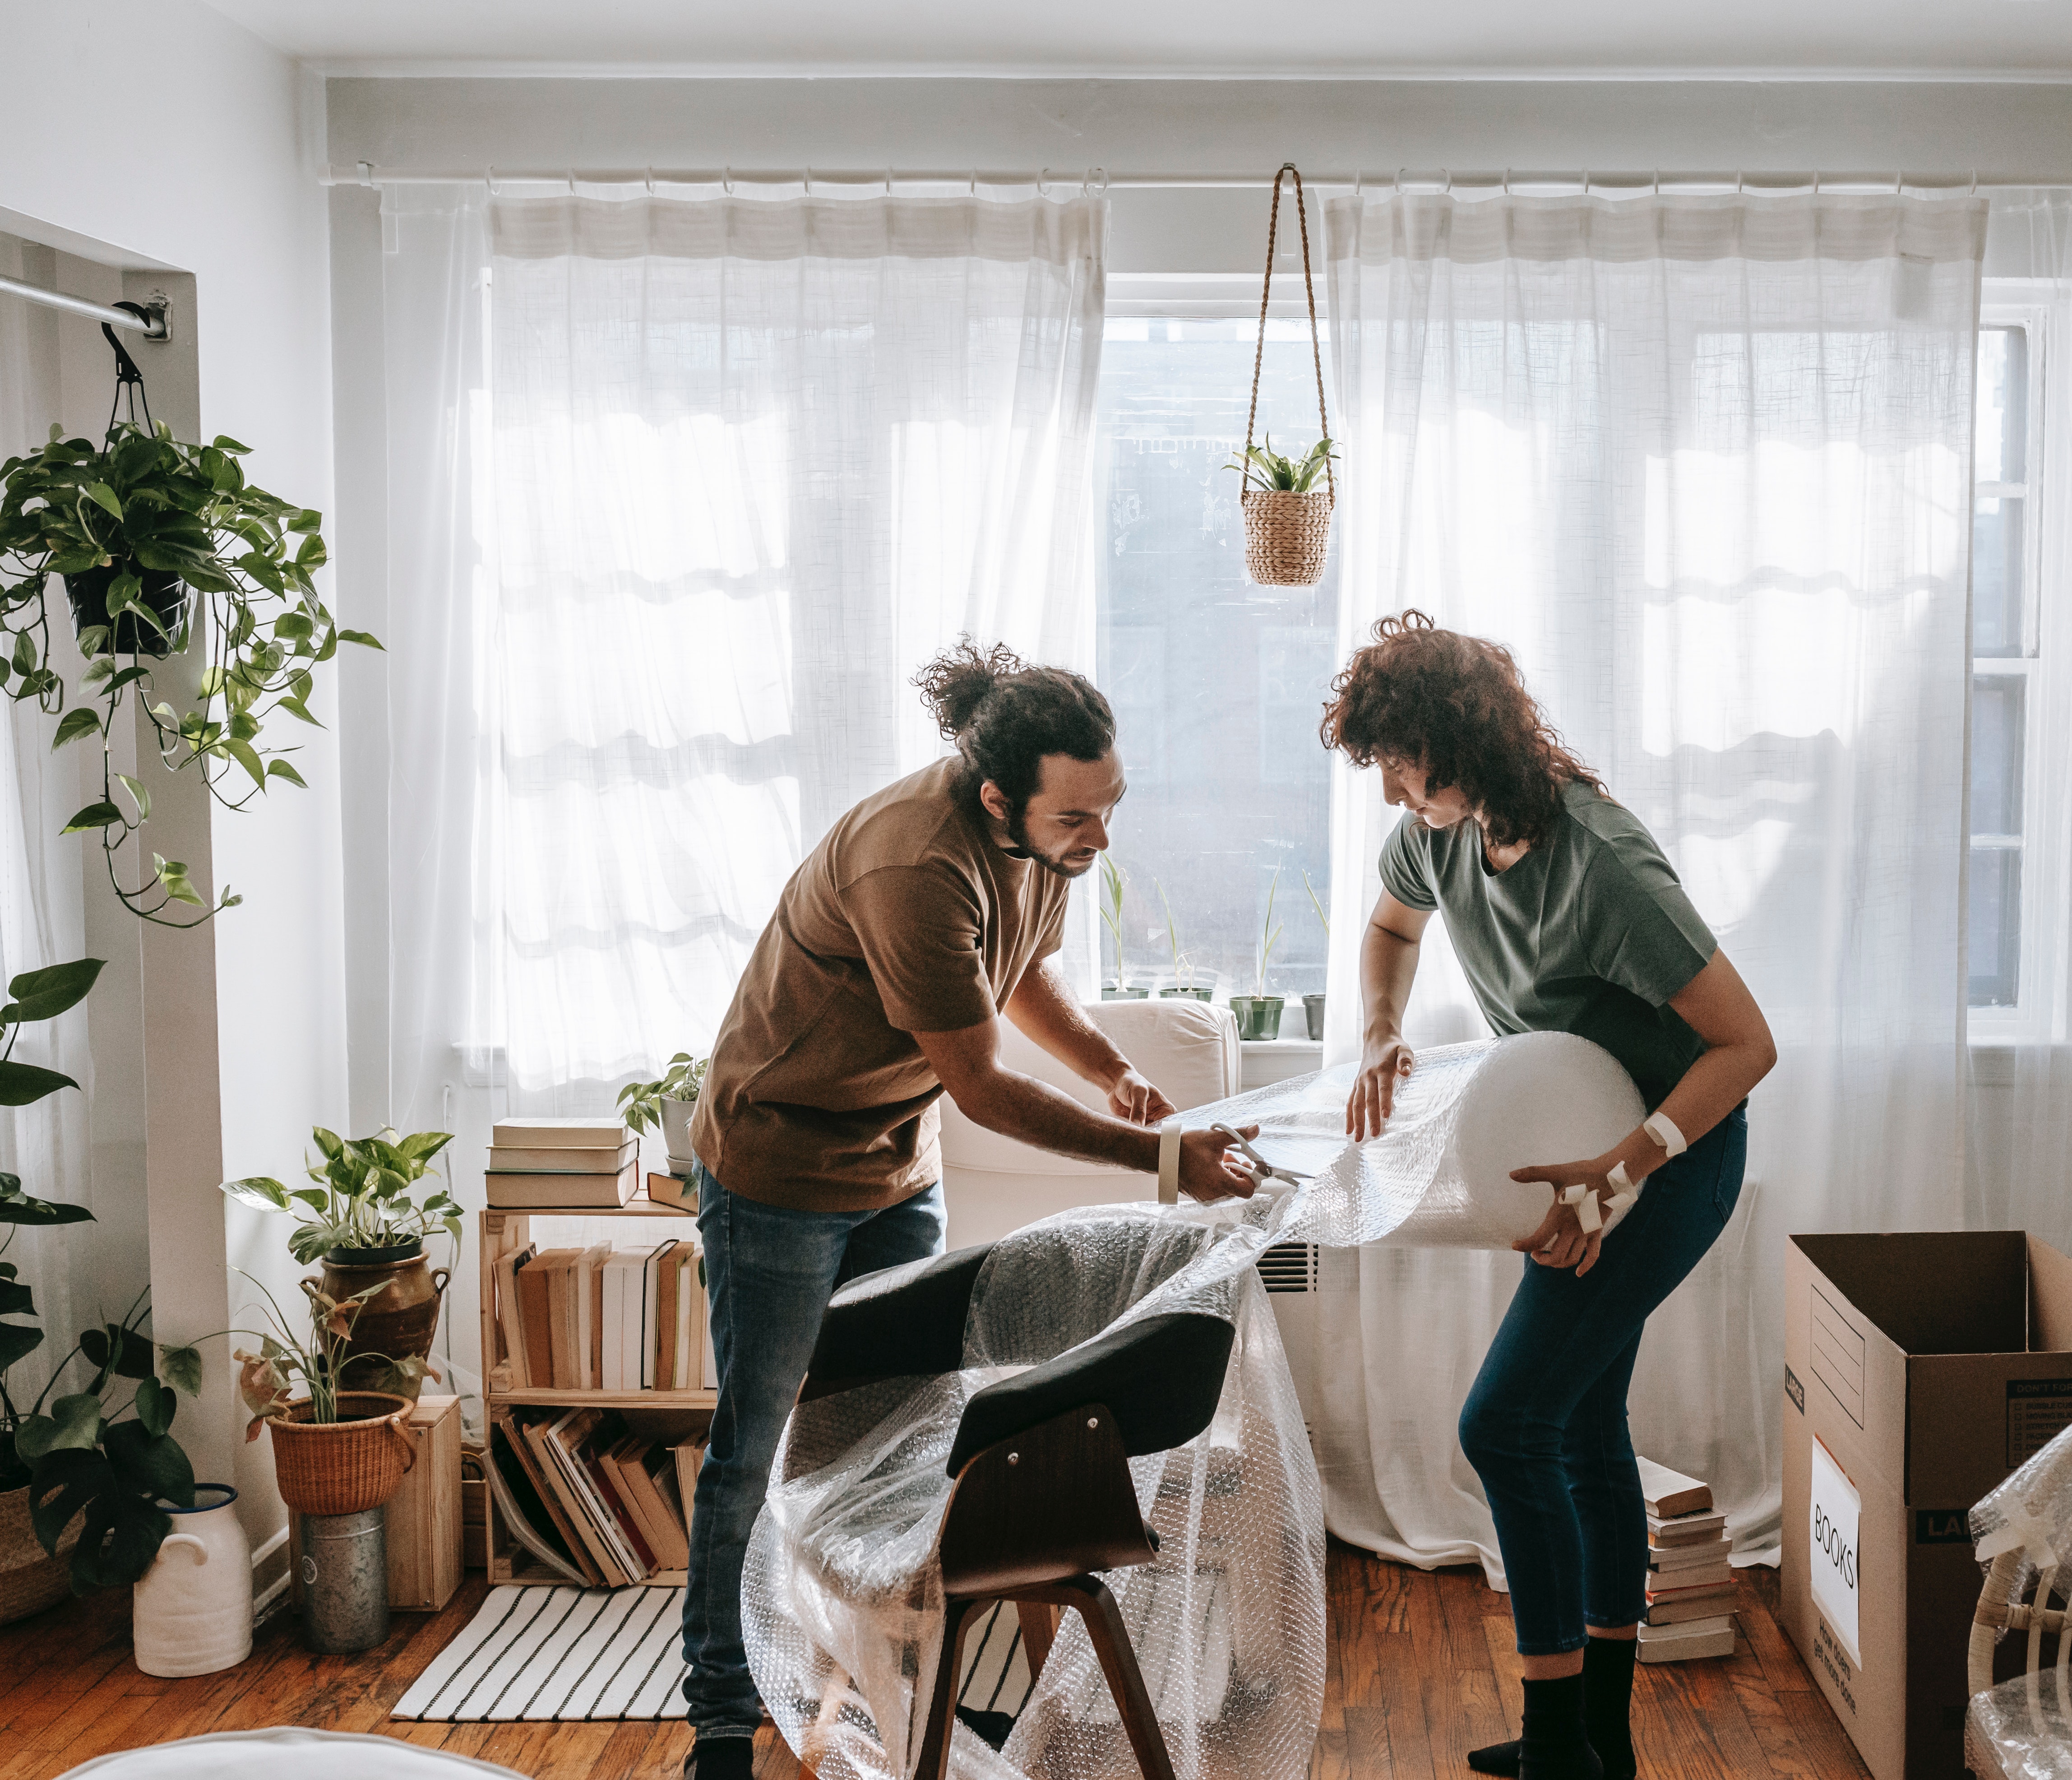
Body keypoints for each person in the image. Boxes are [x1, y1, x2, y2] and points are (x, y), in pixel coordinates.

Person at [678, 639, 1258, 1780]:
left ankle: (894, 1689)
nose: (1101, 837)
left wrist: (1106, 1068)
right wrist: (1163, 1157)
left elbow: (1020, 967)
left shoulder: (1034, 846)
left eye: (1112, 807)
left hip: (896, 1165)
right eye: (1079, 817)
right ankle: (719, 1718)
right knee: (759, 1447)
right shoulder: (912, 862)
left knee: (907, 1434)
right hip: (780, 1171)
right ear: (999, 797)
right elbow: (984, 1085)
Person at [1322, 612, 1776, 1780]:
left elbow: (1746, 1047)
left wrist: (1626, 1166)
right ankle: (1593, 1738)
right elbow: (1387, 930)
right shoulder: (1440, 837)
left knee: (1502, 1424)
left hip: (1671, 1157)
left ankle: (1562, 1749)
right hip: (1570, 1150)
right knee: (1575, 1427)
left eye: (1396, 765)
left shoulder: (1603, 866)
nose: (1388, 794)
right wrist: (1377, 1031)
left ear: (1455, 743)